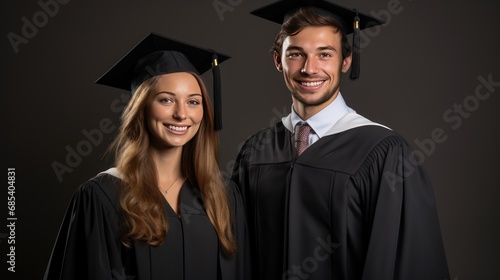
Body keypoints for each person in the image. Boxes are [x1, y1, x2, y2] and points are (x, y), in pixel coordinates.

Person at [231, 0, 450, 279]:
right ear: (278, 60)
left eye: (324, 55)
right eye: (296, 54)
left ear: (346, 61)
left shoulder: (383, 151)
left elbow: (406, 259)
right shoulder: (256, 151)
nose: (310, 69)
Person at [44, 33, 250, 280]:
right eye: (166, 100)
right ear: (141, 108)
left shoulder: (224, 196)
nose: (182, 114)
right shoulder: (103, 197)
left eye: (193, 102)